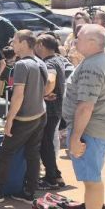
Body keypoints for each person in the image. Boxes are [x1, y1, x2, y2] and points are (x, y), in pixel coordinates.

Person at [0, 30, 50, 203]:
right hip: (40, 114)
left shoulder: (21, 65)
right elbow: (48, 86)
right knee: (33, 154)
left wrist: (10, 119)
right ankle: (29, 192)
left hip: (24, 118)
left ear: (24, 43)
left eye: (15, 41)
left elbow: (18, 95)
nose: (12, 44)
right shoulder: (40, 62)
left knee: (5, 152)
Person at [59, 24, 105, 209]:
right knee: (93, 180)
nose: (74, 40)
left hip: (89, 132)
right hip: (98, 130)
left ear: (92, 42)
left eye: (79, 37)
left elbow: (85, 106)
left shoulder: (92, 66)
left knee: (92, 182)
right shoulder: (102, 60)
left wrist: (75, 138)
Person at [34, 33, 68, 189]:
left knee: (45, 144)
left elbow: (51, 80)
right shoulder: (58, 59)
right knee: (46, 143)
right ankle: (56, 176)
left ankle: (51, 179)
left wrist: (41, 94)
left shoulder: (49, 62)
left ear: (41, 45)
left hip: (50, 109)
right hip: (56, 109)